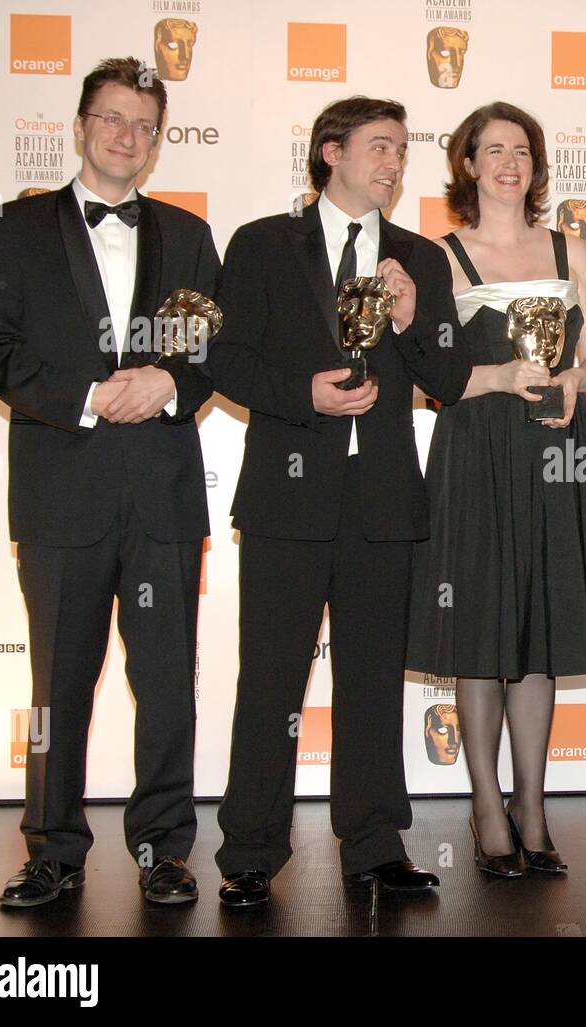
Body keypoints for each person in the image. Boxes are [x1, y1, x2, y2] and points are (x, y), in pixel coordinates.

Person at [0, 56, 219, 907]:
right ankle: (53, 848)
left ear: (157, 141)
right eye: (113, 119)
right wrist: (83, 399)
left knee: (167, 680)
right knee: (57, 684)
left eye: (145, 127)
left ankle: (163, 845)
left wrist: (171, 384)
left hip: (163, 499)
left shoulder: (188, 234)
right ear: (79, 127)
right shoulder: (13, 226)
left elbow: (208, 354)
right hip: (60, 494)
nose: (128, 137)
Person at [206, 96, 470, 907]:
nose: (393, 163)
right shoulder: (260, 245)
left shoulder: (419, 258)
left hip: (384, 498)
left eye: (400, 151)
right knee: (272, 679)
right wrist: (305, 394)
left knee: (371, 677)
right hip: (289, 492)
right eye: (379, 147)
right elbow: (225, 360)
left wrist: (414, 317)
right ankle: (250, 848)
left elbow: (449, 376)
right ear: (331, 152)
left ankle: (375, 844)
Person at [407, 102, 586, 877]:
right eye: (491, 149)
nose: (507, 162)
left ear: (537, 165)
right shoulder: (441, 256)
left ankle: (532, 804)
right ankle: (485, 805)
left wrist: (573, 383)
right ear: (467, 163)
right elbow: (434, 375)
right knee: (480, 628)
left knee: (538, 628)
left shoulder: (571, 246)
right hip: (475, 454)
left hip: (558, 448)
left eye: (521, 150)